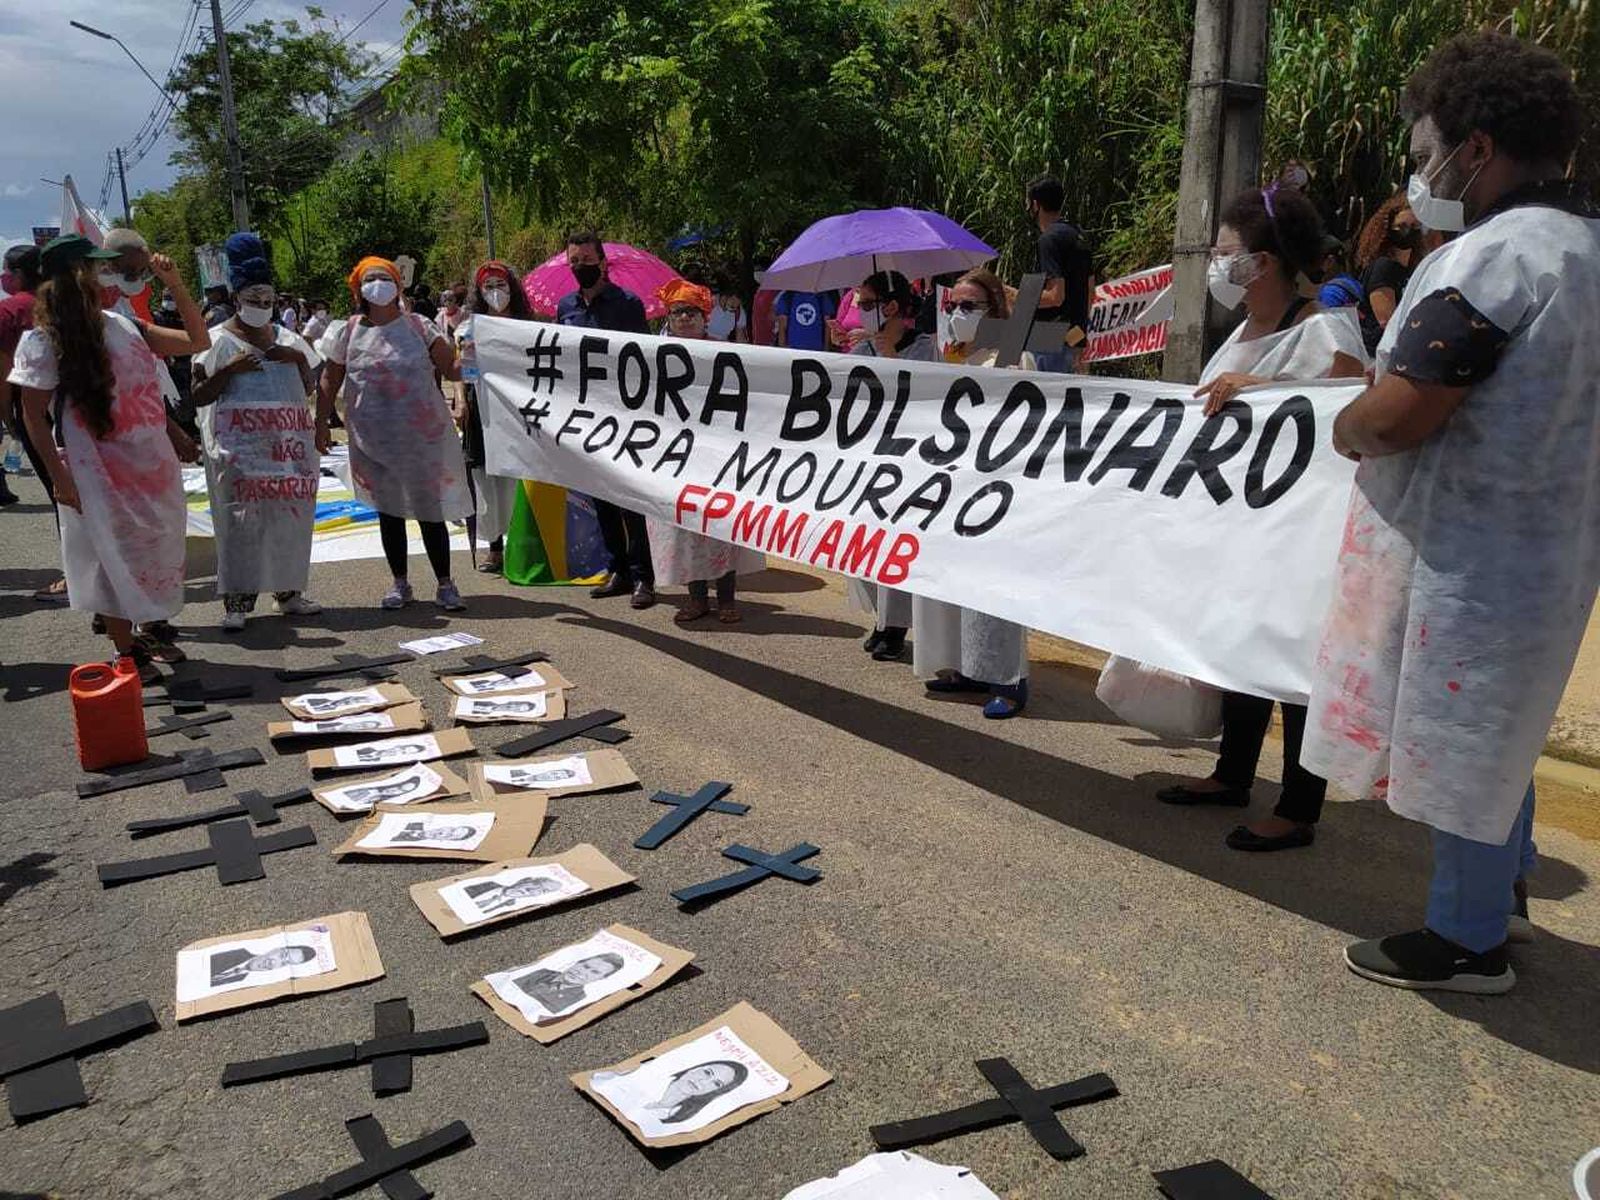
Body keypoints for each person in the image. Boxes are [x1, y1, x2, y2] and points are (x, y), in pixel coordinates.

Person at [1305, 33, 1597, 994]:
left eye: (1427, 149)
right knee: (1500, 733)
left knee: (1459, 731)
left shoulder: (1496, 258)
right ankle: (1500, 895)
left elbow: (1403, 411)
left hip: (1467, 560)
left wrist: (1344, 425)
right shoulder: (1587, 253)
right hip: (1549, 552)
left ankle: (1467, 942)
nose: (1421, 171)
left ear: (1477, 148)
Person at [1154, 184, 1367, 853]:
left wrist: (1263, 389)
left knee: (1294, 656)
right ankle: (1233, 774)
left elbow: (1351, 400)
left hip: (1300, 528)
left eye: (1225, 253)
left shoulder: (1325, 326)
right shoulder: (1241, 330)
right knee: (1244, 645)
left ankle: (1299, 806)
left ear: (1263, 261)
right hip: (1242, 521)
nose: (1216, 265)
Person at [7, 234, 208, 682]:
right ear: (76, 275)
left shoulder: (124, 326)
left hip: (149, 467)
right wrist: (59, 477)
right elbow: (32, 416)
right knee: (108, 557)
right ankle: (126, 649)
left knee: (151, 551)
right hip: (92, 467)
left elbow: (198, 340)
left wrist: (174, 283)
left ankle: (148, 631)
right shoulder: (43, 341)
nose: (109, 273)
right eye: (99, 266)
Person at [317, 256, 471, 611]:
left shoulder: (419, 327)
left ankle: (445, 583)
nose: (378, 284)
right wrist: (321, 423)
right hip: (374, 440)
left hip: (422, 439)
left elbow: (452, 369)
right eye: (370, 278)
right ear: (359, 288)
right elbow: (330, 379)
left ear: (398, 286)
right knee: (389, 512)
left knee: (430, 510)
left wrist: (481, 351)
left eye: (384, 277)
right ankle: (400, 583)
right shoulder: (349, 330)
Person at [188, 234, 324, 633]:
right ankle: (238, 601)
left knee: (289, 522)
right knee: (240, 524)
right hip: (238, 455)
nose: (261, 309)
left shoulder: (291, 340)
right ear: (236, 298)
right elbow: (196, 396)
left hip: (285, 453)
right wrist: (230, 371)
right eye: (253, 301)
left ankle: (289, 593)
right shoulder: (214, 343)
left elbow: (310, 387)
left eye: (268, 302)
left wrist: (296, 358)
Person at [914, 269, 1033, 718]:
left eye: (969, 306)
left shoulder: (1014, 359)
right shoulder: (956, 358)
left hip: (998, 488)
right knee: (956, 580)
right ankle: (968, 667)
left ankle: (1008, 679)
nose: (957, 314)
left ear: (994, 312)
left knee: (997, 586)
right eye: (952, 306)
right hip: (955, 486)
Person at [647, 280, 766, 625]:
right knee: (683, 529)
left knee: (721, 527)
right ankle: (696, 599)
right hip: (673, 455)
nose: (684, 318)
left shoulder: (728, 354)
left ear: (705, 317)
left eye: (691, 312)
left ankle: (727, 600)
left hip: (719, 455)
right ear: (668, 318)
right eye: (677, 312)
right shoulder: (653, 354)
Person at [555, 230, 656, 607]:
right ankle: (618, 569)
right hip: (586, 414)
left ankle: (644, 577)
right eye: (573, 262)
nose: (579, 267)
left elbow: (645, 359)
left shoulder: (627, 304)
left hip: (624, 414)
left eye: (585, 260)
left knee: (630, 499)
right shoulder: (566, 307)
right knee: (601, 496)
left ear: (602, 262)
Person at [844, 270, 936, 662]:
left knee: (898, 543)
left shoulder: (924, 348)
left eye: (867, 304)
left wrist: (892, 357)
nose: (860, 312)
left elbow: (928, 397)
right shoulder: (861, 350)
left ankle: (897, 626)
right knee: (866, 542)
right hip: (868, 458)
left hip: (907, 462)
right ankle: (883, 619)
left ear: (892, 306)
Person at [457, 262, 530, 574]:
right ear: (479, 292)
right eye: (489, 286)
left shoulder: (529, 326)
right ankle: (494, 547)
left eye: (502, 285)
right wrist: (460, 400)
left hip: (520, 409)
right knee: (486, 479)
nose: (496, 292)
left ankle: (523, 544)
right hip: (483, 407)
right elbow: (461, 369)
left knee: (521, 477)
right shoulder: (469, 327)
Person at [1026, 174, 1093, 371]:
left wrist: (1018, 297)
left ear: (1036, 205)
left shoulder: (1048, 240)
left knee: (1047, 398)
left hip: (1049, 338)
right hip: (1073, 337)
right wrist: (1079, 337)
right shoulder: (1080, 235)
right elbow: (1090, 292)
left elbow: (1056, 296)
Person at [1, 245, 45, 515]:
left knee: (63, 492)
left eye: (6, 271)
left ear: (17, 273)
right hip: (81, 403)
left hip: (32, 408)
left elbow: (4, 375)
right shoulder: (68, 303)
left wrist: (10, 420)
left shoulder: (9, 311)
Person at [1353, 193, 1424, 355]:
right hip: (1380, 355)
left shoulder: (1413, 269)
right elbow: (1387, 322)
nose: (1408, 231)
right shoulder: (1383, 267)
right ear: (1388, 229)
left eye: (1415, 226)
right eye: (1402, 226)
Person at [512, 952, 624, 1013]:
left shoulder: (578, 999)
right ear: (578, 963)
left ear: (600, 978)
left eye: (594, 972)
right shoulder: (542, 973)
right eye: (585, 966)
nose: (581, 972)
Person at [645, 1061, 749, 1125]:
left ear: (714, 1091)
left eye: (717, 1084)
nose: (703, 1082)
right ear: (695, 1068)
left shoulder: (677, 1118)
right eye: (707, 1072)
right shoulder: (651, 1076)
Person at [210, 943, 317, 986]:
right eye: (283, 955)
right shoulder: (234, 951)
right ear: (276, 949)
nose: (274, 963)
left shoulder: (245, 983)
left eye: (285, 962)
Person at [465, 873, 564, 914]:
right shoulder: (485, 884)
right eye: (535, 883)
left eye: (543, 890)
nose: (531, 890)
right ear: (524, 880)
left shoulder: (510, 908)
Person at [1313, 235, 1363, 309]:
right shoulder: (1353, 282)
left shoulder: (1330, 293)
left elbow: (1329, 320)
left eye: (1316, 262)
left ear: (1330, 261)